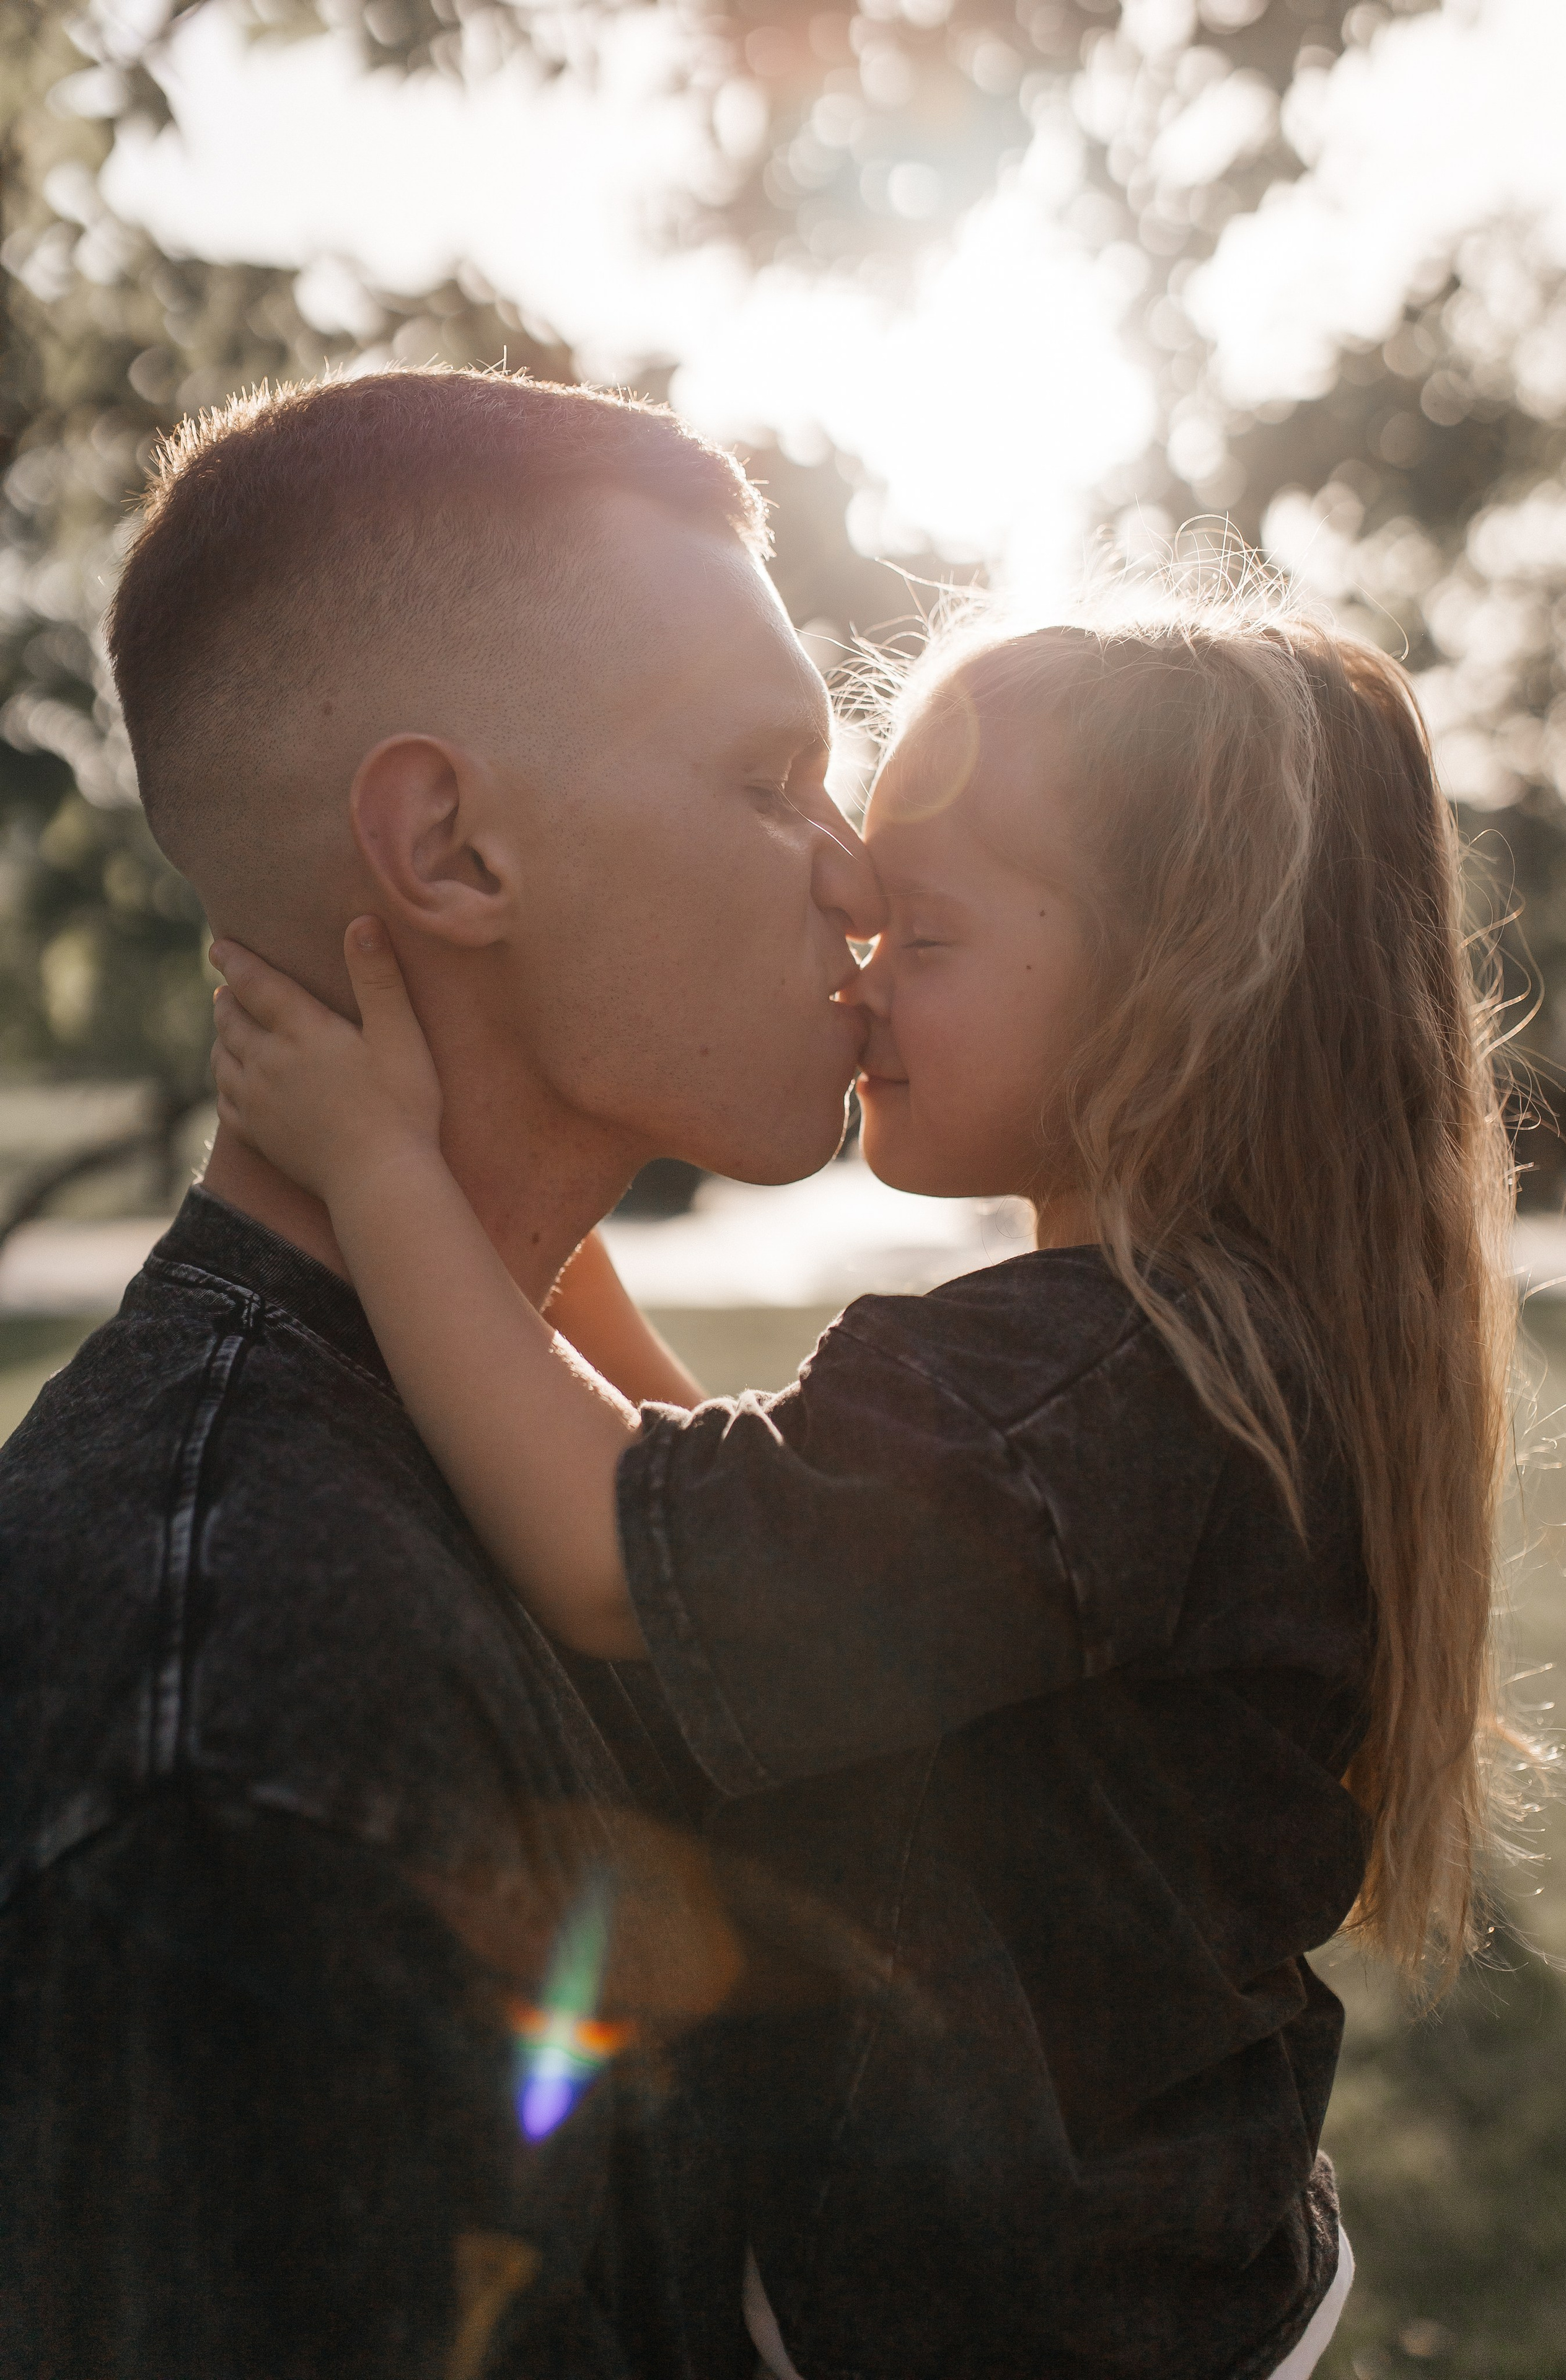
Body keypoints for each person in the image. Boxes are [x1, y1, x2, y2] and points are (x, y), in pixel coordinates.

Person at [211, 584, 1520, 2380]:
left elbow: (623, 1560)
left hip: (996, 2319)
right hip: (1180, 2264)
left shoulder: (1085, 1384)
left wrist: (377, 1169)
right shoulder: (1207, 1355)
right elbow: (748, 1549)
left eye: (929, 933)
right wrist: (519, 1213)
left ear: (1174, 997)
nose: (858, 965)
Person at [0, 366, 887, 2378]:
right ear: (450, 852)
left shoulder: (528, 1470)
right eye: (767, 783)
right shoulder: (234, 1711)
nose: (857, 881)